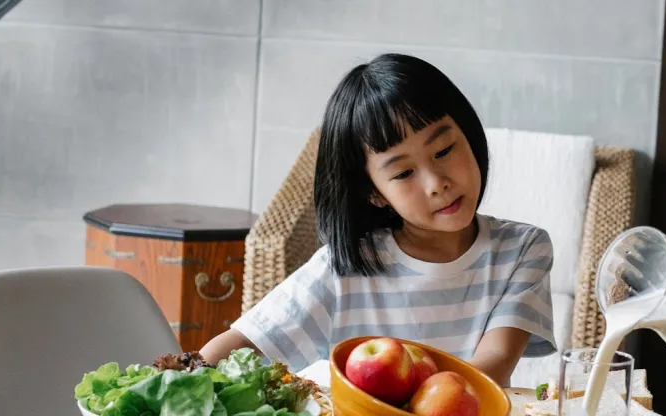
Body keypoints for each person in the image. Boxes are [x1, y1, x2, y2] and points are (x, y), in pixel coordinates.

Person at [200, 54, 556, 387]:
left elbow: (493, 364)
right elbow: (232, 350)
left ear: (469, 134)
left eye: (444, 150)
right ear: (374, 192)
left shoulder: (521, 250)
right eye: (403, 173)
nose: (437, 184)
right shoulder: (343, 269)